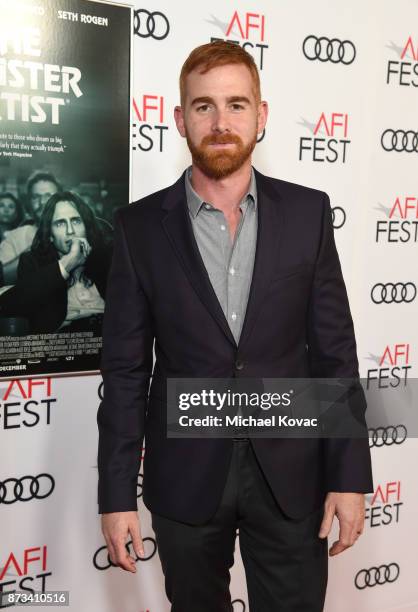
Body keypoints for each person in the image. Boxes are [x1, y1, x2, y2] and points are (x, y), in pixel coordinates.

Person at [97, 41, 373, 611]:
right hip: (186, 479)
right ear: (179, 119)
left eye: (237, 105)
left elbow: (335, 355)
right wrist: (116, 493)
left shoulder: (308, 213)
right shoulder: (139, 228)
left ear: (262, 115)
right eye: (203, 106)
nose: (221, 123)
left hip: (292, 475)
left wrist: (349, 476)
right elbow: (125, 372)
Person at [12, 191, 112, 333]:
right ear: (50, 235)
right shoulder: (32, 262)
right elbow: (16, 304)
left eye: (76, 221)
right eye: (60, 224)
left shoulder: (107, 257)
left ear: (87, 227)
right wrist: (68, 263)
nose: (70, 231)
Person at [0, 171, 60, 286]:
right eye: (36, 197)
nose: (42, 202)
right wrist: (37, 249)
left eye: (49, 196)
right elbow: (2, 277)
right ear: (29, 202)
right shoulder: (14, 236)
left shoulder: (74, 231)